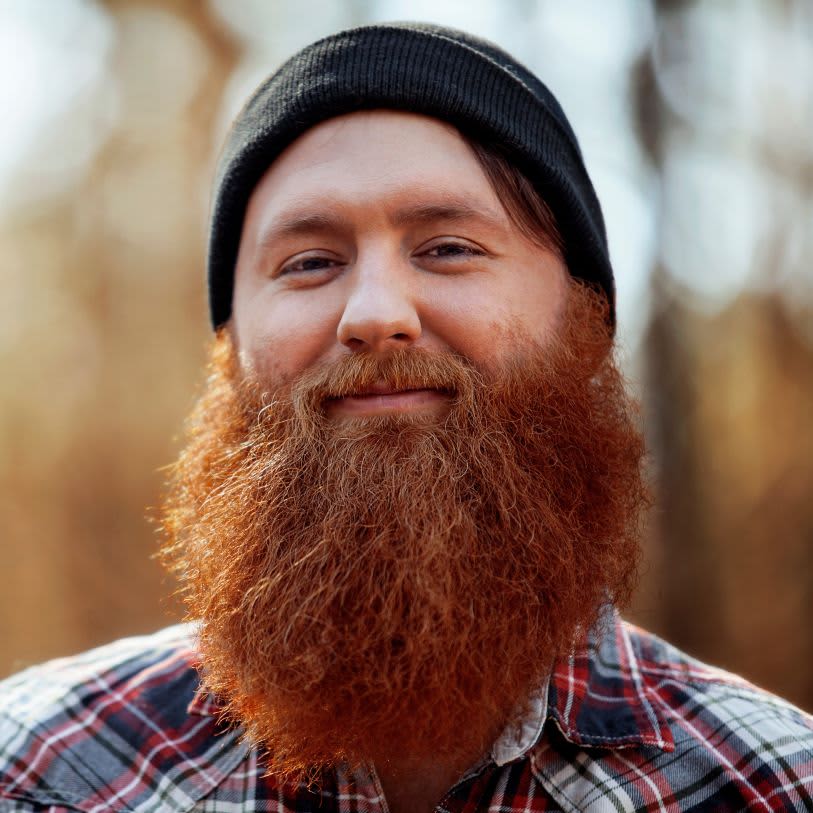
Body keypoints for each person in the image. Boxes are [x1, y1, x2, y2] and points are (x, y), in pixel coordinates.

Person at [1, 22, 811, 813]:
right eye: (310, 262)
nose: (374, 312)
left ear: (585, 320)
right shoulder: (33, 771)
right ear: (231, 347)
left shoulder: (770, 783)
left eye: (448, 248)